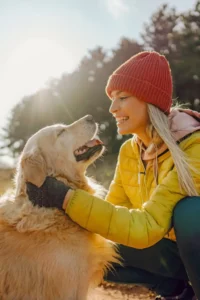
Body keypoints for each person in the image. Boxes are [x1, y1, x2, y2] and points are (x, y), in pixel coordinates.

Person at [27, 51, 200, 300]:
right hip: (175, 253)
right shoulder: (130, 151)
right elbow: (111, 215)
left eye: (122, 97)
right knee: (99, 246)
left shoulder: (193, 146)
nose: (112, 108)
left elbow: (147, 228)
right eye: (111, 98)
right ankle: (178, 294)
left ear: (148, 100)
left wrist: (66, 197)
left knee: (191, 212)